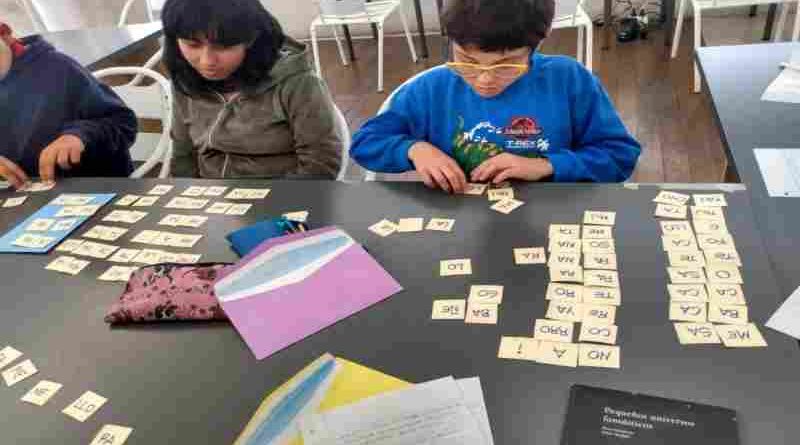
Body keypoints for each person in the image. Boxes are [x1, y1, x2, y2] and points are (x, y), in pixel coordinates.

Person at [350, 0, 641, 193]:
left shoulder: (569, 81)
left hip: (554, 217)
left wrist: (547, 165)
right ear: (450, 41)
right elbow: (365, 143)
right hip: (461, 221)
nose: (485, 79)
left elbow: (620, 156)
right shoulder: (430, 89)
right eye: (467, 60)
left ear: (537, 44)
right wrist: (414, 149)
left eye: (506, 65)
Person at [163, 0, 343, 179]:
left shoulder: (298, 83)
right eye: (192, 45)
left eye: (222, 47)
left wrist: (273, 197)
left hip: (283, 191)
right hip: (210, 191)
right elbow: (183, 155)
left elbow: (320, 165)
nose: (207, 61)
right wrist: (189, 192)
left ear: (251, 38)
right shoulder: (185, 79)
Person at [0, 21, 137, 189]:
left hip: (93, 188)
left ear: (5, 36)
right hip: (25, 195)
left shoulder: (56, 67)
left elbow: (123, 122)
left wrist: (78, 136)